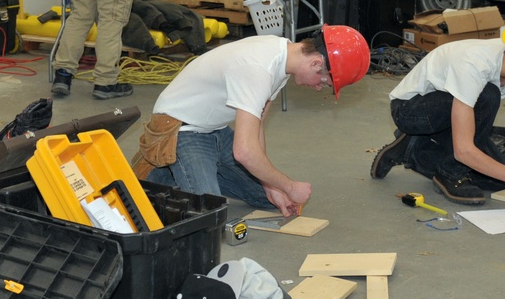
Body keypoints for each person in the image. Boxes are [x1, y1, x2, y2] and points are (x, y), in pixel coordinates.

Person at [136, 26, 370, 218]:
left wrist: (272, 186)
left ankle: (196, 170)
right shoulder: (258, 68)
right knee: (209, 216)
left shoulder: (282, 58)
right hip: (179, 130)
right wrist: (288, 185)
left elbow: (256, 129)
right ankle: (159, 176)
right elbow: (245, 152)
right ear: (317, 63)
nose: (319, 87)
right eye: (325, 83)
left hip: (213, 130)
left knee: (265, 199)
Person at [370, 23, 505, 206]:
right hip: (410, 111)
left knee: (499, 181)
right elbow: (463, 150)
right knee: (488, 96)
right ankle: (449, 173)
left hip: (447, 111)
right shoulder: (475, 65)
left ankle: (414, 146)